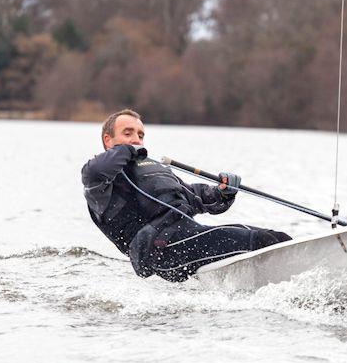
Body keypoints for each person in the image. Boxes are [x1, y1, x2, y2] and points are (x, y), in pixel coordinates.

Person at [81, 109, 292, 282]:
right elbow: (97, 170)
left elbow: (192, 196)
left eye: (140, 135)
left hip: (187, 235)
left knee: (278, 238)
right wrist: (129, 150)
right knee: (263, 240)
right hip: (158, 251)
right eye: (128, 133)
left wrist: (222, 192)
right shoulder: (98, 182)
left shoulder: (150, 167)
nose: (137, 139)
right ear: (107, 140)